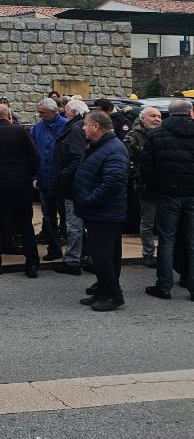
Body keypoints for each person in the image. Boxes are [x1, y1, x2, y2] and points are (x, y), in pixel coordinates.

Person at [72, 111, 129, 312]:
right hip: (99, 212)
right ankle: (103, 290)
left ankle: (113, 295)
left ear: (96, 126)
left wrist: (90, 200)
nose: (83, 128)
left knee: (103, 256)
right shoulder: (102, 146)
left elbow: (112, 183)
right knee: (103, 255)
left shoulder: (113, 149)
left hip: (105, 213)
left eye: (86, 125)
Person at [139, 97, 194, 302]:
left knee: (166, 239)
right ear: (190, 113)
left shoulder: (156, 135)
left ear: (170, 114)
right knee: (192, 240)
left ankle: (163, 286)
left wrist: (156, 189)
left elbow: (147, 166)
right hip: (191, 194)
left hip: (168, 194)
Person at [0, 104, 40, 277]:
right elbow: (34, 156)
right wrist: (29, 175)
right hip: (21, 184)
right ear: (10, 116)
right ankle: (32, 263)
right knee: (25, 224)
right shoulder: (20, 131)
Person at [50, 97, 90, 275]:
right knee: (80, 224)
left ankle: (73, 260)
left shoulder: (75, 129)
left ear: (72, 112)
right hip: (80, 184)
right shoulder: (79, 127)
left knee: (74, 224)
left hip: (74, 186)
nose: (63, 113)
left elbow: (77, 158)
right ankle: (82, 257)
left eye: (65, 110)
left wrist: (62, 175)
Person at [124, 106, 163, 268]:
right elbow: (128, 162)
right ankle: (148, 253)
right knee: (148, 222)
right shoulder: (133, 137)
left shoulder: (163, 135)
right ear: (143, 118)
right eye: (153, 116)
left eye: (159, 116)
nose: (157, 119)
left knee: (165, 223)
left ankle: (164, 254)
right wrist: (142, 178)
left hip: (166, 187)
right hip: (146, 187)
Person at [30, 98, 68, 259]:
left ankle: (77, 249)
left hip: (63, 180)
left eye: (43, 113)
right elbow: (32, 151)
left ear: (54, 112)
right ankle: (54, 248)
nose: (40, 116)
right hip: (45, 179)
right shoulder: (38, 128)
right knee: (48, 216)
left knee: (68, 216)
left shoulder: (67, 126)